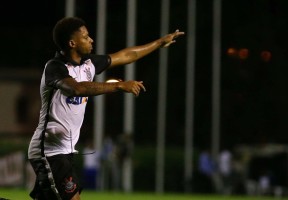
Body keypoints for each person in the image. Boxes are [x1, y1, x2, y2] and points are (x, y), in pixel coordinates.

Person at [27, 16, 184, 200]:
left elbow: (126, 55)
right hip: (49, 151)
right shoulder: (55, 67)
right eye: (85, 37)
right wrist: (118, 86)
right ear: (72, 43)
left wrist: (159, 42)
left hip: (64, 151)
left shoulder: (89, 65)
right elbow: (76, 89)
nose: (91, 39)